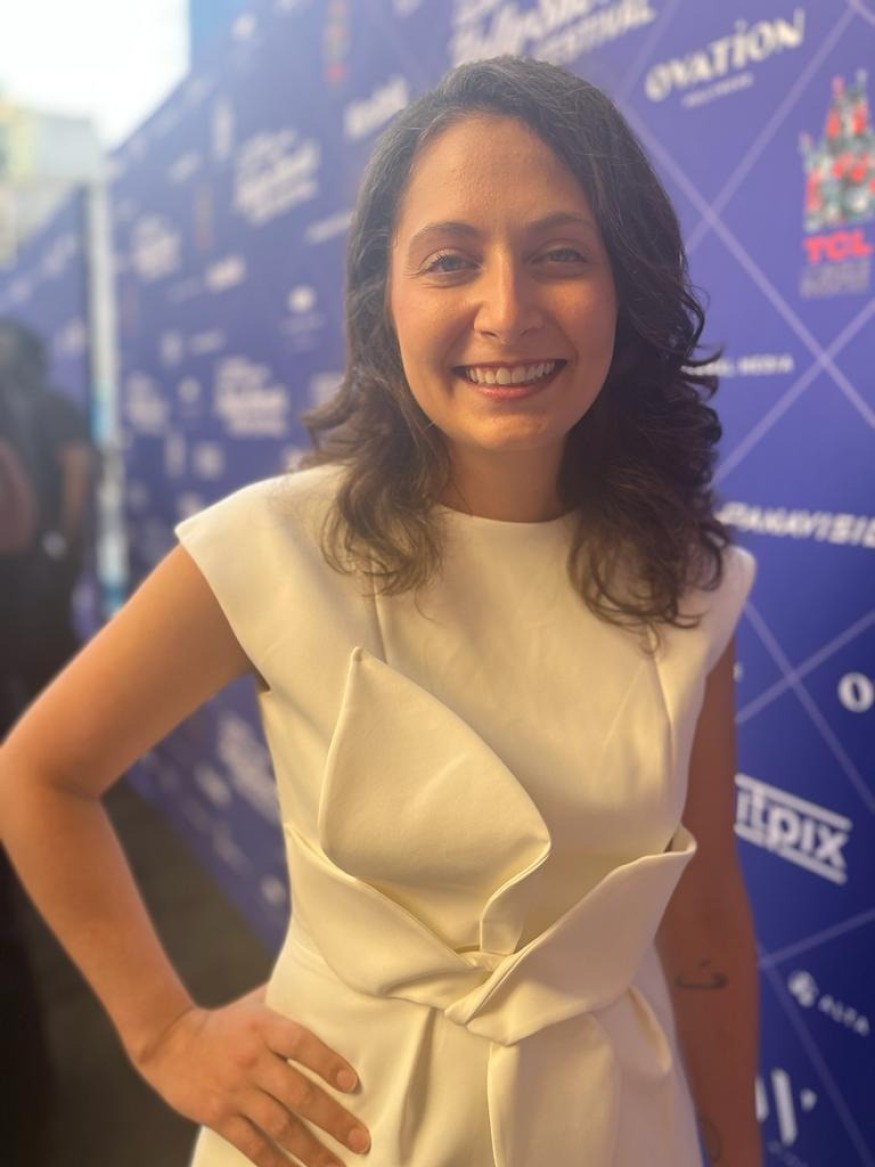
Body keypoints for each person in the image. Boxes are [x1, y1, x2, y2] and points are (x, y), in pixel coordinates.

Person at [0, 57, 761, 1167]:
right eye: (450, 261)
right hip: (341, 1131)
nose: (506, 310)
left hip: (614, 1128)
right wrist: (165, 1034)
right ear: (383, 298)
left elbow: (701, 912)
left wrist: (734, 1143)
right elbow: (38, 774)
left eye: (559, 254)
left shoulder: (688, 579)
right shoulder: (277, 546)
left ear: (625, 286)